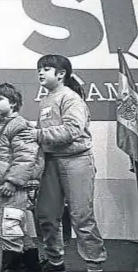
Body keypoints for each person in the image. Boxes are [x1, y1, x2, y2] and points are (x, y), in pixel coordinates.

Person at [21, 54, 107, 272]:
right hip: (51, 162)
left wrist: (37, 134)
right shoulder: (46, 100)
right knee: (47, 215)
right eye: (39, 69)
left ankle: (94, 265)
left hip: (77, 161)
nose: (40, 72)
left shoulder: (70, 98)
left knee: (81, 217)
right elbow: (47, 136)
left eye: (46, 69)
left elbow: (72, 130)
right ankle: (55, 262)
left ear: (61, 74)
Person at [0, 83, 44, 272]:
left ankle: (11, 267)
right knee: (18, 224)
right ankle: (31, 264)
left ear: (13, 103)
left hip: (12, 186)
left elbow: (26, 156)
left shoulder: (19, 125)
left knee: (10, 225)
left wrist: (11, 181)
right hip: (1, 184)